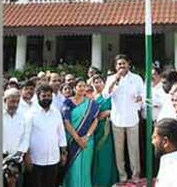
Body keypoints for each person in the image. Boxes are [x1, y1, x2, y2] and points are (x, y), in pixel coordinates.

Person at [102, 54, 144, 182]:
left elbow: (143, 93)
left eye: (123, 63)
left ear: (128, 64)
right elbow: (105, 95)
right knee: (119, 151)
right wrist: (115, 80)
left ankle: (135, 176)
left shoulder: (136, 78)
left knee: (134, 149)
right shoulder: (111, 78)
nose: (121, 66)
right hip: (117, 119)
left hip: (132, 119)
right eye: (119, 64)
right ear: (115, 66)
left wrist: (139, 98)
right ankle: (122, 177)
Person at [25, 84, 67, 187]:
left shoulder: (56, 113)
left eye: (49, 96)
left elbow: (61, 133)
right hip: (36, 159)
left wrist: (63, 153)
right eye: (44, 96)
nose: (46, 98)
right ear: (38, 96)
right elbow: (26, 136)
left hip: (53, 158)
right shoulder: (31, 113)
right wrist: (27, 156)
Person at [61, 78, 100, 187]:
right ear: (74, 88)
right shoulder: (67, 102)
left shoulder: (91, 104)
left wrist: (86, 136)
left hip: (87, 140)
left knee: (85, 168)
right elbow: (66, 122)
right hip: (72, 139)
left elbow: (95, 120)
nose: (82, 88)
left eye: (84, 86)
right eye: (79, 86)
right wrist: (78, 139)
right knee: (73, 167)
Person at [91, 74, 119, 187]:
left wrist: (109, 112)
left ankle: (107, 182)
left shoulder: (109, 96)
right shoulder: (91, 97)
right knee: (95, 157)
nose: (97, 84)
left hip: (106, 128)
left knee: (105, 155)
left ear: (104, 83)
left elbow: (118, 109)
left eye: (99, 82)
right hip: (94, 130)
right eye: (95, 82)